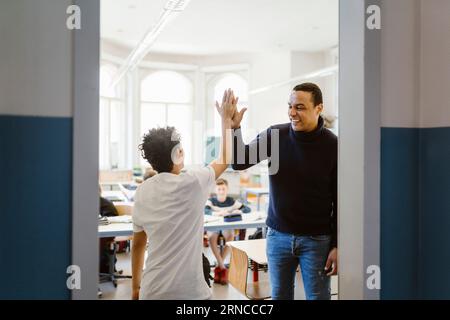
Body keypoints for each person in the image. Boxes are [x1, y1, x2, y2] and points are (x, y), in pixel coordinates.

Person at [131, 89, 247, 300]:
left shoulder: (142, 191)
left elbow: (138, 244)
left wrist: (135, 287)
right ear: (178, 154)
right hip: (191, 294)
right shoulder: (194, 182)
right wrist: (226, 121)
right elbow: (226, 157)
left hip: (152, 291)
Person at [231, 83, 337, 300]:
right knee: (280, 296)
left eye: (300, 107)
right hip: (278, 236)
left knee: (318, 297)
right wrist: (234, 129)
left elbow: (341, 200)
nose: (292, 113)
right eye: (289, 106)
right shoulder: (275, 136)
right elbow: (239, 162)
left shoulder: (332, 145)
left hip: (317, 240)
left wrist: (337, 245)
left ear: (319, 108)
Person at [204, 178, 251, 284]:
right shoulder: (211, 201)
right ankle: (223, 268)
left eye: (223, 189)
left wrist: (239, 210)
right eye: (219, 189)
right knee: (211, 237)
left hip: (226, 225)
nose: (221, 191)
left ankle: (219, 267)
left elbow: (247, 209)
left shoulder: (231, 201)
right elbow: (205, 210)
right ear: (215, 190)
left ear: (227, 189)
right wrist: (217, 213)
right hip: (214, 225)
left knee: (230, 235)